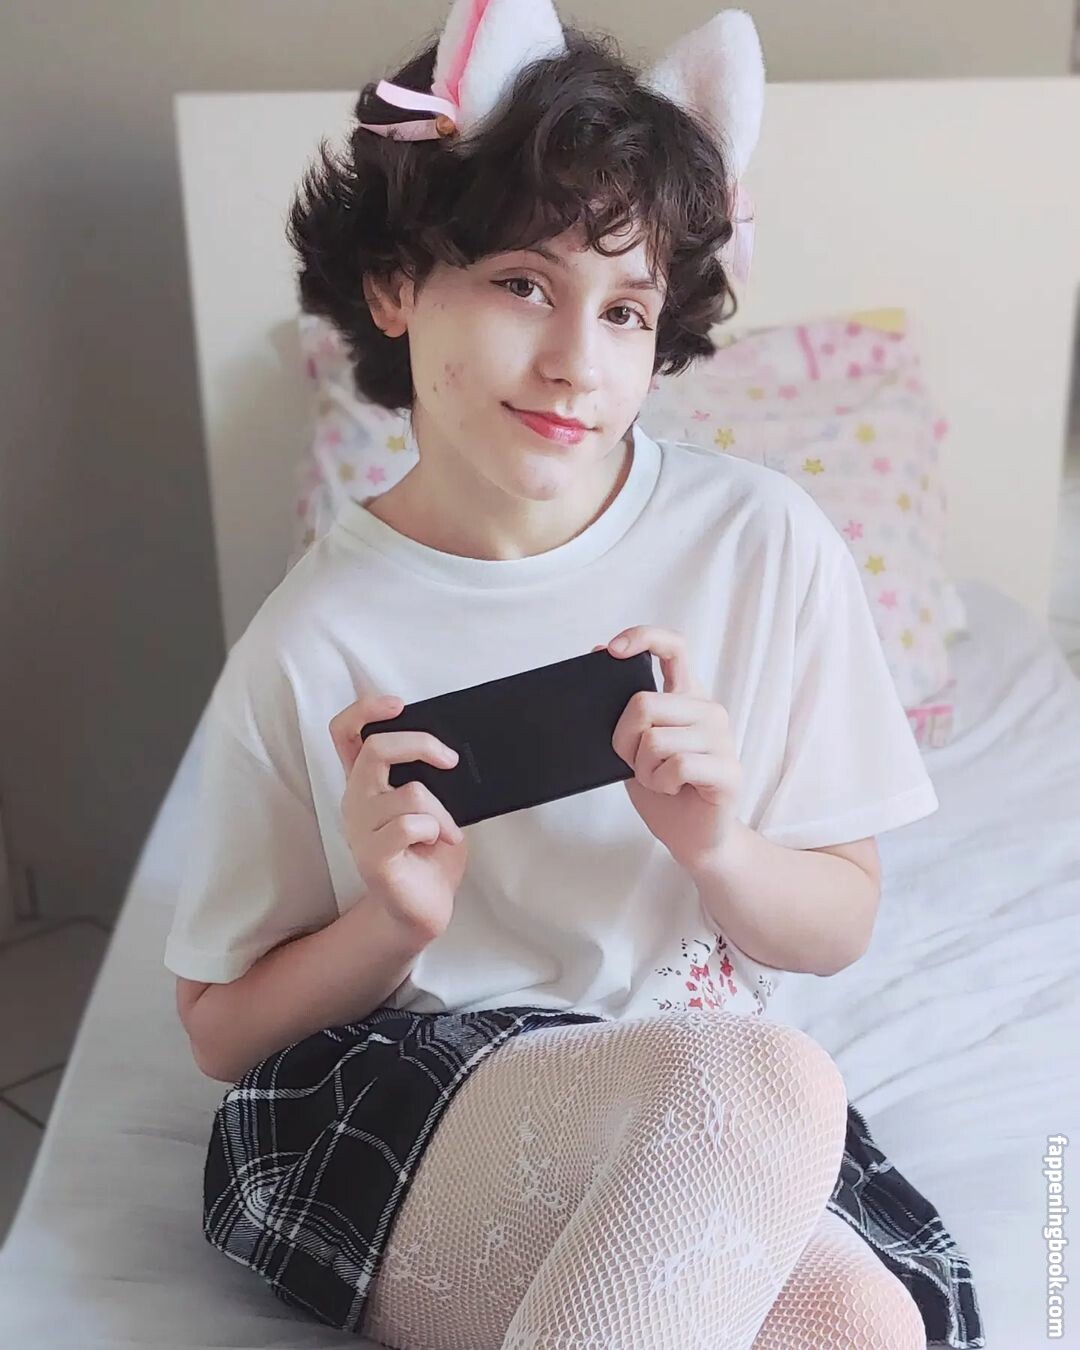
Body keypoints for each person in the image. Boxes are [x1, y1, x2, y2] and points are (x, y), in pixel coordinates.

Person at [165, 5, 985, 1347]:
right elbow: (219, 1031)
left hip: (698, 1097)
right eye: (522, 285)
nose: (575, 365)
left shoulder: (764, 543)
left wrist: (719, 848)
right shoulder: (312, 635)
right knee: (769, 1084)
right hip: (416, 1103)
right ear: (396, 286)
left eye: (625, 310)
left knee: (862, 1317)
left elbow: (836, 921)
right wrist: (390, 920)